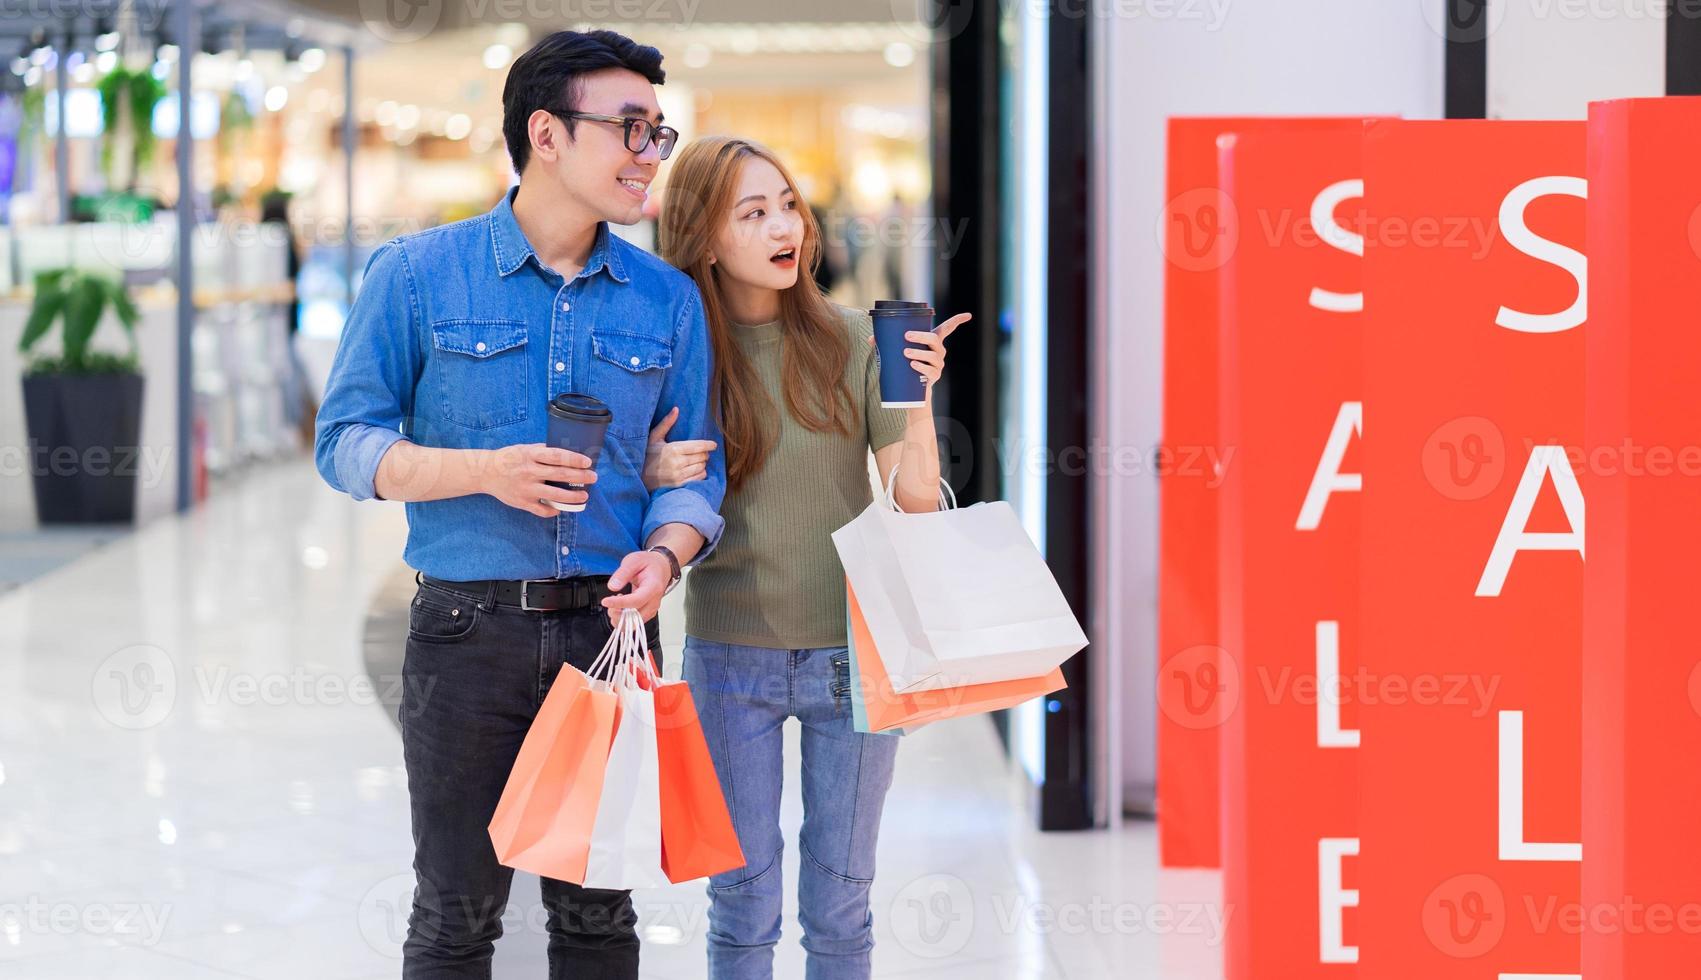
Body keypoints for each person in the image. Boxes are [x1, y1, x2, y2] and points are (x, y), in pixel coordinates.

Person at [313, 30, 726, 979]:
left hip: (611, 642)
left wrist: (664, 555)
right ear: (545, 132)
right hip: (467, 637)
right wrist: (482, 471)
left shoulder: (665, 301)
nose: (646, 154)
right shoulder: (417, 276)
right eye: (627, 129)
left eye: (656, 134)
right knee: (456, 918)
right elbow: (344, 445)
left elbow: (700, 474)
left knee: (596, 921)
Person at [648, 135, 968, 980]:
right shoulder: (683, 360)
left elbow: (913, 501)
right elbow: (641, 496)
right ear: (701, 238)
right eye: (751, 213)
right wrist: (648, 470)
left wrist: (919, 402)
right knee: (741, 909)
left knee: (839, 908)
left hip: (851, 661)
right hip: (725, 657)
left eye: (786, 203)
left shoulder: (857, 339)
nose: (784, 225)